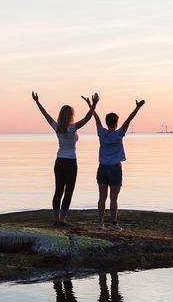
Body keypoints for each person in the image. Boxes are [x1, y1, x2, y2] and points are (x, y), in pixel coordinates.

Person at [32, 91, 99, 226]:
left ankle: (57, 218)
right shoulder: (72, 128)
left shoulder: (57, 127)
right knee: (68, 191)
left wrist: (37, 101)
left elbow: (45, 115)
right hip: (70, 162)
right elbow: (87, 118)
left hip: (59, 161)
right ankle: (62, 219)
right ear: (71, 115)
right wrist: (94, 104)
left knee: (58, 190)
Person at [87, 98, 145, 230]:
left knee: (102, 197)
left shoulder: (101, 132)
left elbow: (94, 116)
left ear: (107, 122)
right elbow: (129, 119)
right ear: (117, 122)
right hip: (115, 168)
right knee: (113, 198)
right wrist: (137, 107)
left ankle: (100, 223)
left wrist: (91, 105)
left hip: (102, 167)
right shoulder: (119, 133)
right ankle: (113, 223)